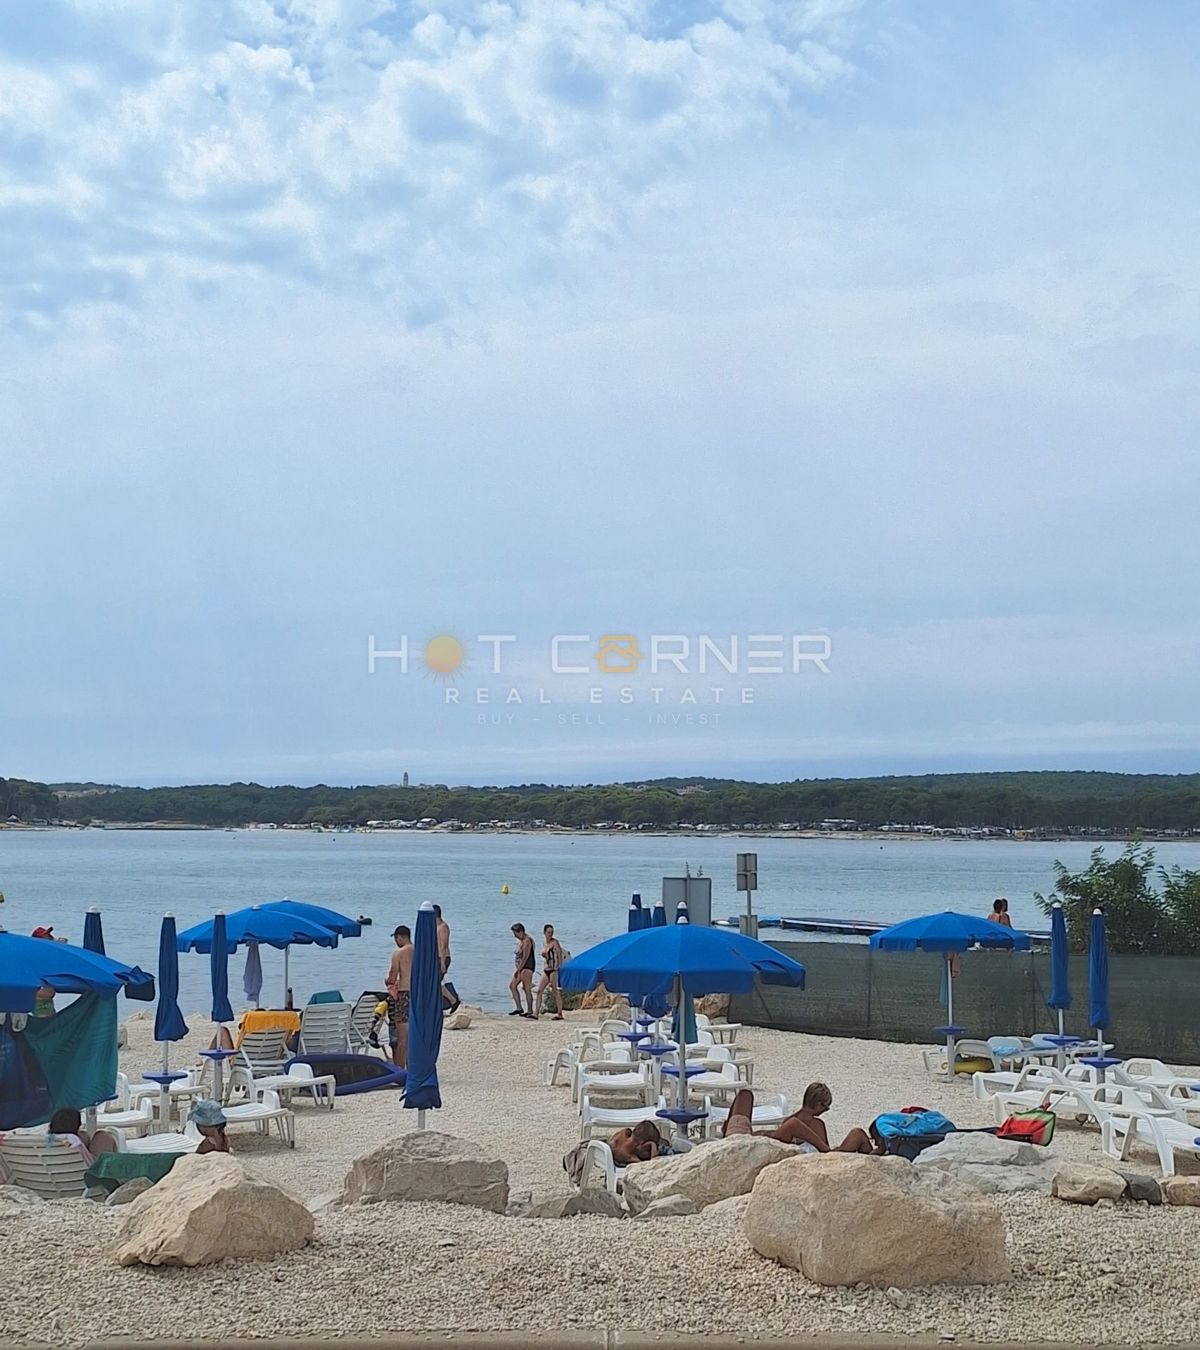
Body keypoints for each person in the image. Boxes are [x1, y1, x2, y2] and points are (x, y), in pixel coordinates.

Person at [47, 1108, 118, 1165]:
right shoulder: (73, 1139)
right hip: (86, 1170)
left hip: (58, 1167)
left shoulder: (46, 1140)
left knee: (84, 1135)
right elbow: (89, 1162)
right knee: (103, 1136)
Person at [386, 924, 414, 1067]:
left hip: (403, 995)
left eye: (396, 939)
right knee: (415, 1037)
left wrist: (387, 980)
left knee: (402, 1039)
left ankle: (400, 1071)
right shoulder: (420, 951)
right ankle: (413, 1068)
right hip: (417, 995)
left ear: (400, 938)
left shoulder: (398, 953)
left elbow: (392, 977)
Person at [432, 904, 461, 1015]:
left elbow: (444, 945)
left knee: (435, 982)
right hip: (437, 958)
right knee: (434, 982)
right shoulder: (435, 927)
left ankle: (453, 1000)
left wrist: (443, 962)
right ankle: (445, 1002)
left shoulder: (443, 927)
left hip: (443, 958)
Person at [534, 923, 565, 1021]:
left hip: (553, 969)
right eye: (548, 932)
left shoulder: (555, 942)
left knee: (555, 990)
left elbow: (559, 955)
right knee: (539, 990)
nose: (550, 934)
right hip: (546, 969)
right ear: (544, 933)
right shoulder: (544, 943)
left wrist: (559, 967)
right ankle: (536, 1013)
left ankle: (560, 1013)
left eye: (551, 932)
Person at [509, 923, 535, 1017]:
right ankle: (519, 1008)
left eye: (515, 933)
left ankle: (530, 1010)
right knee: (512, 985)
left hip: (527, 967)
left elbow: (525, 957)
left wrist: (519, 969)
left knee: (526, 988)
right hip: (520, 967)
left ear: (520, 932)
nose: (514, 936)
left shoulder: (527, 941)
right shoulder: (521, 941)